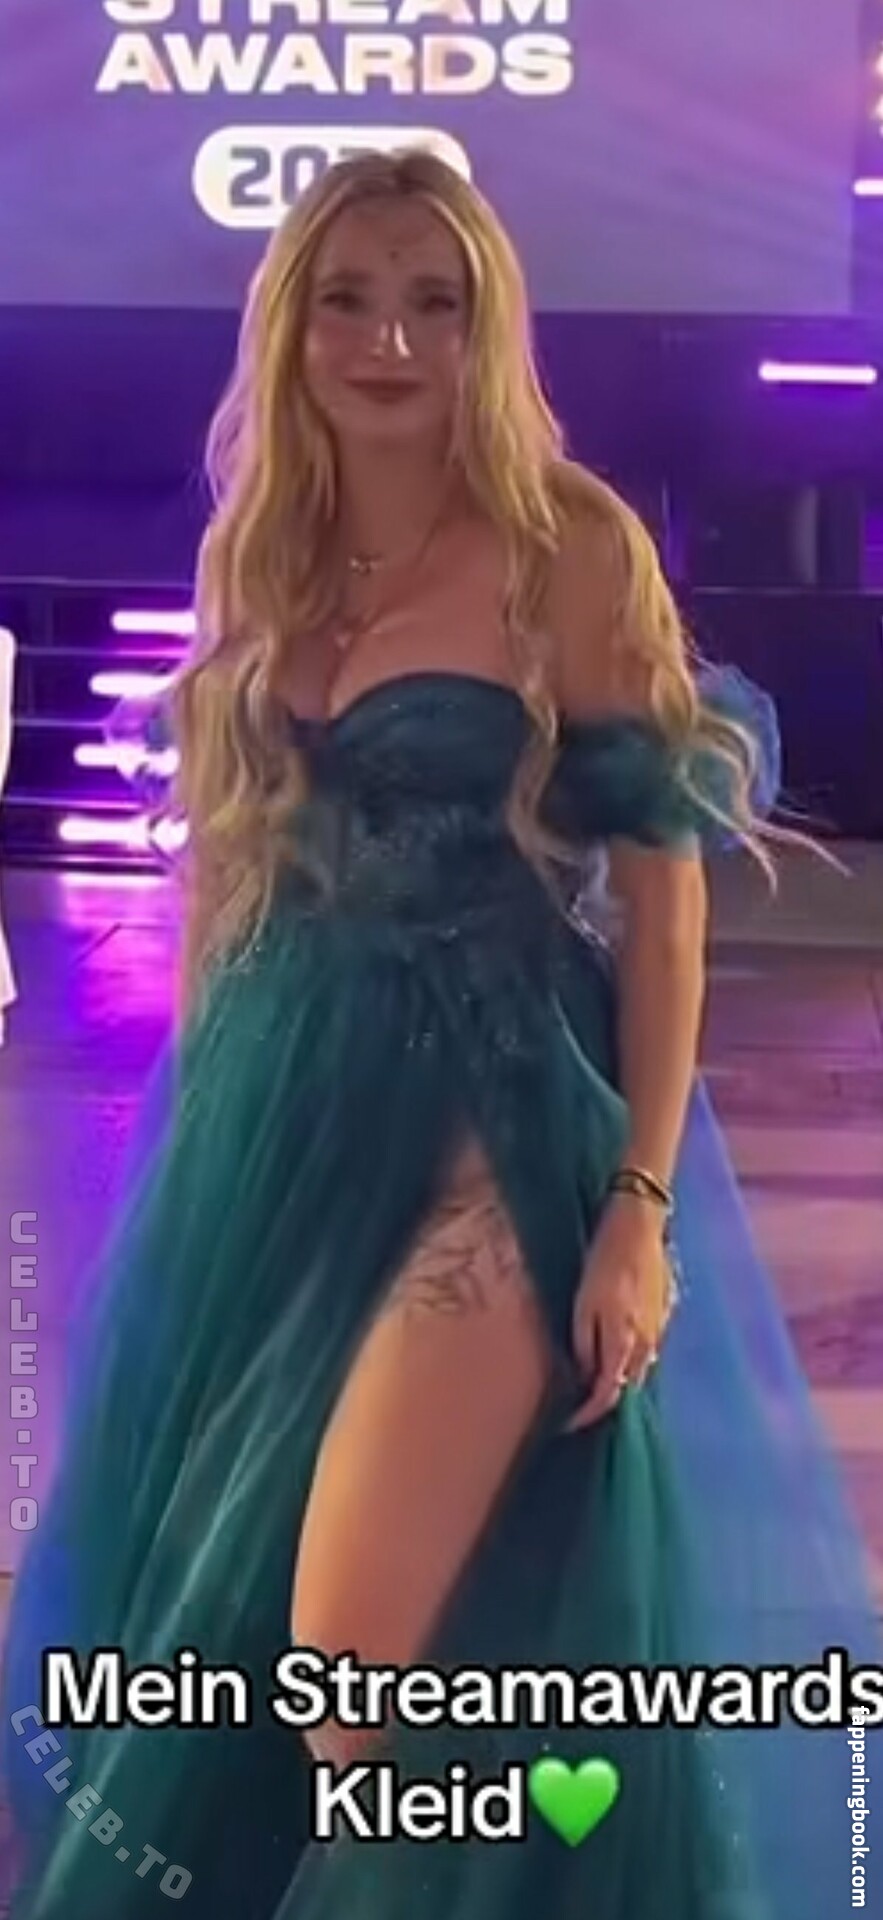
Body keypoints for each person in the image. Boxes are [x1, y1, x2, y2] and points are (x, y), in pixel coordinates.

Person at [2, 149, 879, 1920]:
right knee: (250, 1628)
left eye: (435, 301)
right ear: (293, 326)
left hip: (494, 1124)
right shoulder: (269, 551)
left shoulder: (567, 546)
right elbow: (236, 875)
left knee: (342, 1650)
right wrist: (209, 1153)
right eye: (349, 299)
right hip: (283, 1127)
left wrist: (635, 1205)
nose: (390, 339)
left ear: (490, 327)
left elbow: (665, 903)